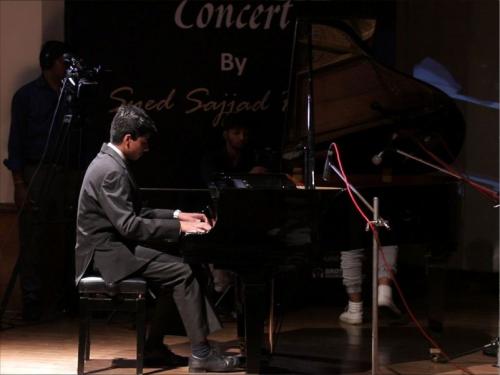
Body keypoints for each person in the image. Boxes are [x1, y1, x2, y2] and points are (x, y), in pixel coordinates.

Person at [74, 105, 240, 372]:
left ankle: (154, 347)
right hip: (106, 256)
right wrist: (180, 230)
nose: (146, 149)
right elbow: (129, 225)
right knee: (182, 272)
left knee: (182, 265)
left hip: (116, 247)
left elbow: (138, 211)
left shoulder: (111, 163)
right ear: (128, 139)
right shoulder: (111, 171)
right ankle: (201, 354)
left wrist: (179, 216)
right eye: (144, 143)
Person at [3, 40, 78, 321]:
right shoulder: (26, 96)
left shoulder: (71, 95)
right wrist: (19, 182)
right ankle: (32, 300)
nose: (66, 67)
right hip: (37, 170)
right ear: (49, 62)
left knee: (65, 235)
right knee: (32, 236)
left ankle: (65, 296)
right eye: (62, 61)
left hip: (66, 172)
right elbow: (16, 142)